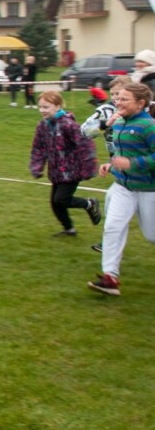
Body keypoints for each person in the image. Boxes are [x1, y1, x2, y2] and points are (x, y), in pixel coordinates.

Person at [89, 82, 155, 296]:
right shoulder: (118, 122)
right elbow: (121, 153)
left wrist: (132, 164)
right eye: (117, 98)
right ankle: (110, 277)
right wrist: (112, 164)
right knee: (112, 228)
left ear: (141, 103)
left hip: (149, 188)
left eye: (124, 99)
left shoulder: (149, 126)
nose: (118, 102)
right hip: (123, 187)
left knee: (152, 235)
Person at [30, 90, 100, 237]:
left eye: (46, 107)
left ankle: (89, 204)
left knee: (61, 199)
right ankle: (69, 229)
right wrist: (37, 166)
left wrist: (89, 167)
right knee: (55, 204)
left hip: (72, 171)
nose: (42, 110)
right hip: (56, 172)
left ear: (57, 106)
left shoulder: (69, 125)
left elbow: (85, 144)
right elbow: (38, 148)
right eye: (40, 107)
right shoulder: (42, 126)